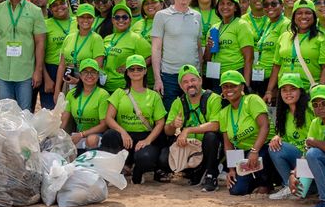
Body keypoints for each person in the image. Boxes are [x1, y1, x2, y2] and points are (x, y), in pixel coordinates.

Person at [101, 55, 167, 184]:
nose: (135, 72)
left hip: (144, 136)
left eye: (139, 68)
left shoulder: (153, 96)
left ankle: (137, 172)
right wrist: (122, 132)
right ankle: (116, 170)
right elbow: (109, 118)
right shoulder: (119, 93)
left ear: (145, 71)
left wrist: (148, 140)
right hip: (125, 136)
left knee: (145, 158)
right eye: (132, 69)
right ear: (127, 72)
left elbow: (160, 123)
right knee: (109, 135)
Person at [212, 71, 272, 196]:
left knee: (264, 156)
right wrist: (231, 169)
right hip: (243, 153)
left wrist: (254, 151)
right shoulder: (223, 113)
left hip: (263, 147)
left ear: (242, 87)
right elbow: (228, 145)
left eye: (233, 86)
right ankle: (255, 181)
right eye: (225, 86)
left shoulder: (252, 100)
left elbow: (265, 126)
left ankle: (267, 183)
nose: (229, 89)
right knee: (236, 190)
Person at [265, 0, 325, 108]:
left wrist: (319, 92)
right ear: (293, 17)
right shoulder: (284, 36)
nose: (303, 16)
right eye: (299, 13)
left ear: (314, 16)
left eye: (308, 13)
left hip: (308, 91)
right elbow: (277, 65)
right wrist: (269, 90)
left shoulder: (322, 38)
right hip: (285, 91)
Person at [166, 65, 224, 189]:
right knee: (162, 159)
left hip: (208, 147)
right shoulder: (178, 102)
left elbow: (215, 125)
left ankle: (211, 174)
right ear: (181, 86)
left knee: (211, 136)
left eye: (193, 80)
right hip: (189, 147)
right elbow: (168, 131)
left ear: (200, 80)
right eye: (185, 82)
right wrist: (173, 124)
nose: (190, 84)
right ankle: (193, 171)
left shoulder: (214, 99)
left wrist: (187, 130)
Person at [150, 0, 202, 109]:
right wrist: (158, 79)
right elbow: (156, 49)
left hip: (193, 76)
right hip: (170, 77)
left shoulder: (197, 16)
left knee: (193, 114)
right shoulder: (161, 15)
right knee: (171, 117)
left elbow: (198, 46)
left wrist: (200, 73)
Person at [264, 74, 312, 200]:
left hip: (311, 156)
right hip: (296, 157)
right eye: (284, 90)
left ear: (301, 91)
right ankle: (288, 186)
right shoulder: (283, 113)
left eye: (293, 89)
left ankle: (298, 186)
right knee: (275, 146)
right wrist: (277, 137)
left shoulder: (310, 109)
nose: (288, 93)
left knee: (302, 194)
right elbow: (285, 139)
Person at [205, 0, 255, 94]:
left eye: (229, 4)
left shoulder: (242, 25)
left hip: (235, 73)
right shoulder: (214, 28)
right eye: (222, 4)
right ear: (218, 7)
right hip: (217, 75)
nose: (225, 7)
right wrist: (209, 47)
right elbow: (207, 59)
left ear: (235, 7)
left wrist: (245, 85)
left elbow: (249, 58)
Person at [101, 3, 151, 93]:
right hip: (104, 85)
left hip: (123, 87)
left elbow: (150, 56)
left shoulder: (136, 38)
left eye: (124, 17)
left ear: (130, 20)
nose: (121, 20)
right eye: (117, 17)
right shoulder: (107, 38)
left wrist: (130, 67)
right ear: (112, 20)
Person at [62, 61, 113, 150]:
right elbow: (64, 118)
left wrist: (82, 134)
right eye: (85, 72)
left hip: (96, 135)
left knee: (91, 139)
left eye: (93, 72)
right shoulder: (72, 94)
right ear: (80, 75)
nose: (89, 75)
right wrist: (57, 133)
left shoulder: (103, 95)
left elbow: (104, 125)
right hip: (78, 134)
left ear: (98, 75)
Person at [56, 6, 106, 94]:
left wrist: (78, 81)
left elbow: (97, 67)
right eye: (82, 17)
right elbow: (62, 66)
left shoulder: (97, 39)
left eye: (89, 17)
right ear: (77, 19)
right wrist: (57, 89)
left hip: (88, 85)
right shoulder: (69, 38)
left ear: (93, 19)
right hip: (68, 83)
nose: (85, 20)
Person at [40, 0, 74, 109]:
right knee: (50, 111)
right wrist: (46, 78)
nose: (59, 7)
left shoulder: (77, 22)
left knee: (69, 110)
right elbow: (39, 53)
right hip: (51, 70)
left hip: (72, 69)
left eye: (62, 3)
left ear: (67, 3)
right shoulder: (45, 24)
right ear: (50, 9)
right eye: (54, 5)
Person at [249, 0, 285, 96]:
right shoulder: (270, 23)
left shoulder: (285, 25)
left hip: (273, 80)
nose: (269, 7)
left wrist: (271, 88)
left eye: (273, 4)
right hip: (260, 76)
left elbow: (280, 60)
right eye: (266, 5)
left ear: (282, 5)